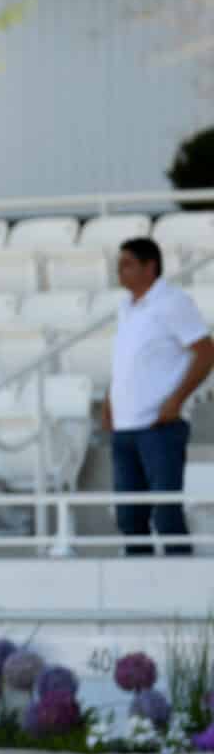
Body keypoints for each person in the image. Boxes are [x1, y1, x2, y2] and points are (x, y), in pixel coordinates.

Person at [102, 237, 213, 555]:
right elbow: (128, 359)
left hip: (158, 426)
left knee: (166, 514)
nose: (120, 270)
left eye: (127, 264)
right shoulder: (126, 307)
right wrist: (110, 399)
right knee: (129, 517)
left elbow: (206, 352)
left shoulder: (172, 302)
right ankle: (140, 579)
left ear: (150, 267)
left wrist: (176, 400)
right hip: (125, 428)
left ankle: (182, 578)